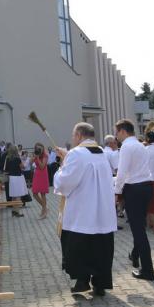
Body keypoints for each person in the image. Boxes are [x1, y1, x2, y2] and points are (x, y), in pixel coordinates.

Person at [54, 123, 117, 295]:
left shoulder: (76, 154)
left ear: (79, 135)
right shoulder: (102, 153)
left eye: (74, 135)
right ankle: (100, 283)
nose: (73, 139)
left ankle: (82, 281)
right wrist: (67, 157)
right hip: (102, 212)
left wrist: (62, 165)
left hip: (82, 213)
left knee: (80, 249)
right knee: (100, 249)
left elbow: (65, 182)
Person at [114, 119, 154, 281]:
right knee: (140, 226)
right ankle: (135, 255)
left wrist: (117, 192)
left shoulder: (126, 146)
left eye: (117, 132)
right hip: (146, 186)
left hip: (134, 189)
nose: (116, 136)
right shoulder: (139, 145)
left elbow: (122, 172)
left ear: (123, 131)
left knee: (138, 231)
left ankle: (148, 270)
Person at [4, 144, 27, 217]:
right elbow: (23, 167)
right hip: (17, 178)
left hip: (11, 177)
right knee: (18, 196)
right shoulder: (17, 158)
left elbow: (6, 169)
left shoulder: (8, 158)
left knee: (13, 196)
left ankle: (13, 211)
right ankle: (17, 211)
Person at [31, 142, 50, 219]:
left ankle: (44, 211)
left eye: (40, 148)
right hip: (36, 174)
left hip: (43, 174)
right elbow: (31, 163)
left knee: (42, 193)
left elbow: (42, 166)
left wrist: (38, 158)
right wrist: (33, 157)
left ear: (42, 148)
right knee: (34, 193)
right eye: (37, 148)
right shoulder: (35, 154)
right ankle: (45, 208)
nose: (38, 150)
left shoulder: (45, 155)